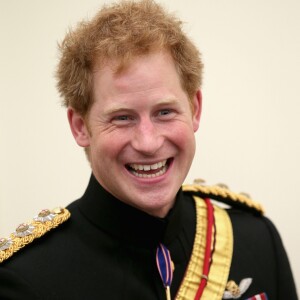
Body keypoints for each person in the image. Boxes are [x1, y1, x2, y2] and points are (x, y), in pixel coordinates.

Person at [0, 0, 297, 299]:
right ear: (80, 126)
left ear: (195, 109)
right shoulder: (26, 280)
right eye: (122, 118)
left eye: (165, 112)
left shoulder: (257, 241)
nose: (148, 142)